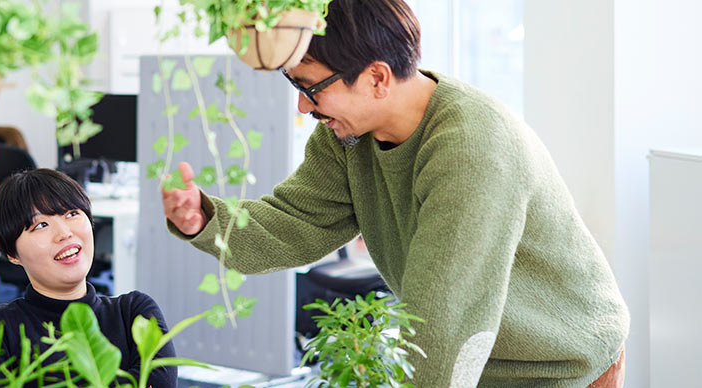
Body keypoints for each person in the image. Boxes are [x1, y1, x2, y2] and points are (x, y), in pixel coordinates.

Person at [160, 0, 628, 387]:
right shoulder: (346, 137)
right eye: (294, 84)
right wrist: (205, 219)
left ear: (377, 78)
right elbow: (296, 221)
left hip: (559, 365)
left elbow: (445, 318)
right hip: (483, 362)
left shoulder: (470, 148)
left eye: (310, 87)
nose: (302, 105)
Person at [0, 168, 177, 387]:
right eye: (40, 225)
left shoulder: (134, 312)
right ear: (12, 254)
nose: (64, 233)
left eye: (71, 214)